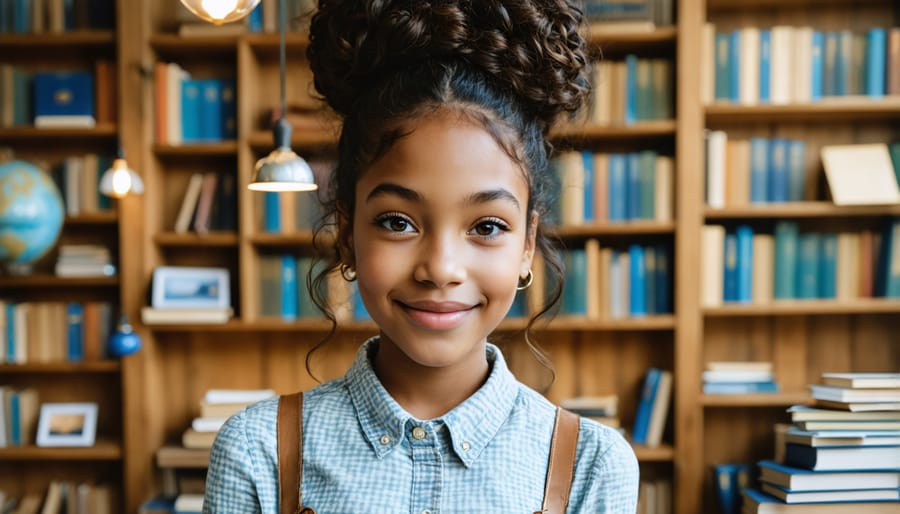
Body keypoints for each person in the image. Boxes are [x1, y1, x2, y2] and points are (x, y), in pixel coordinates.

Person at [204, 0, 640, 512]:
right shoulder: (258, 453)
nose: (440, 268)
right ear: (347, 233)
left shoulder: (592, 464)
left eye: (487, 227)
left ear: (526, 245)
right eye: (398, 222)